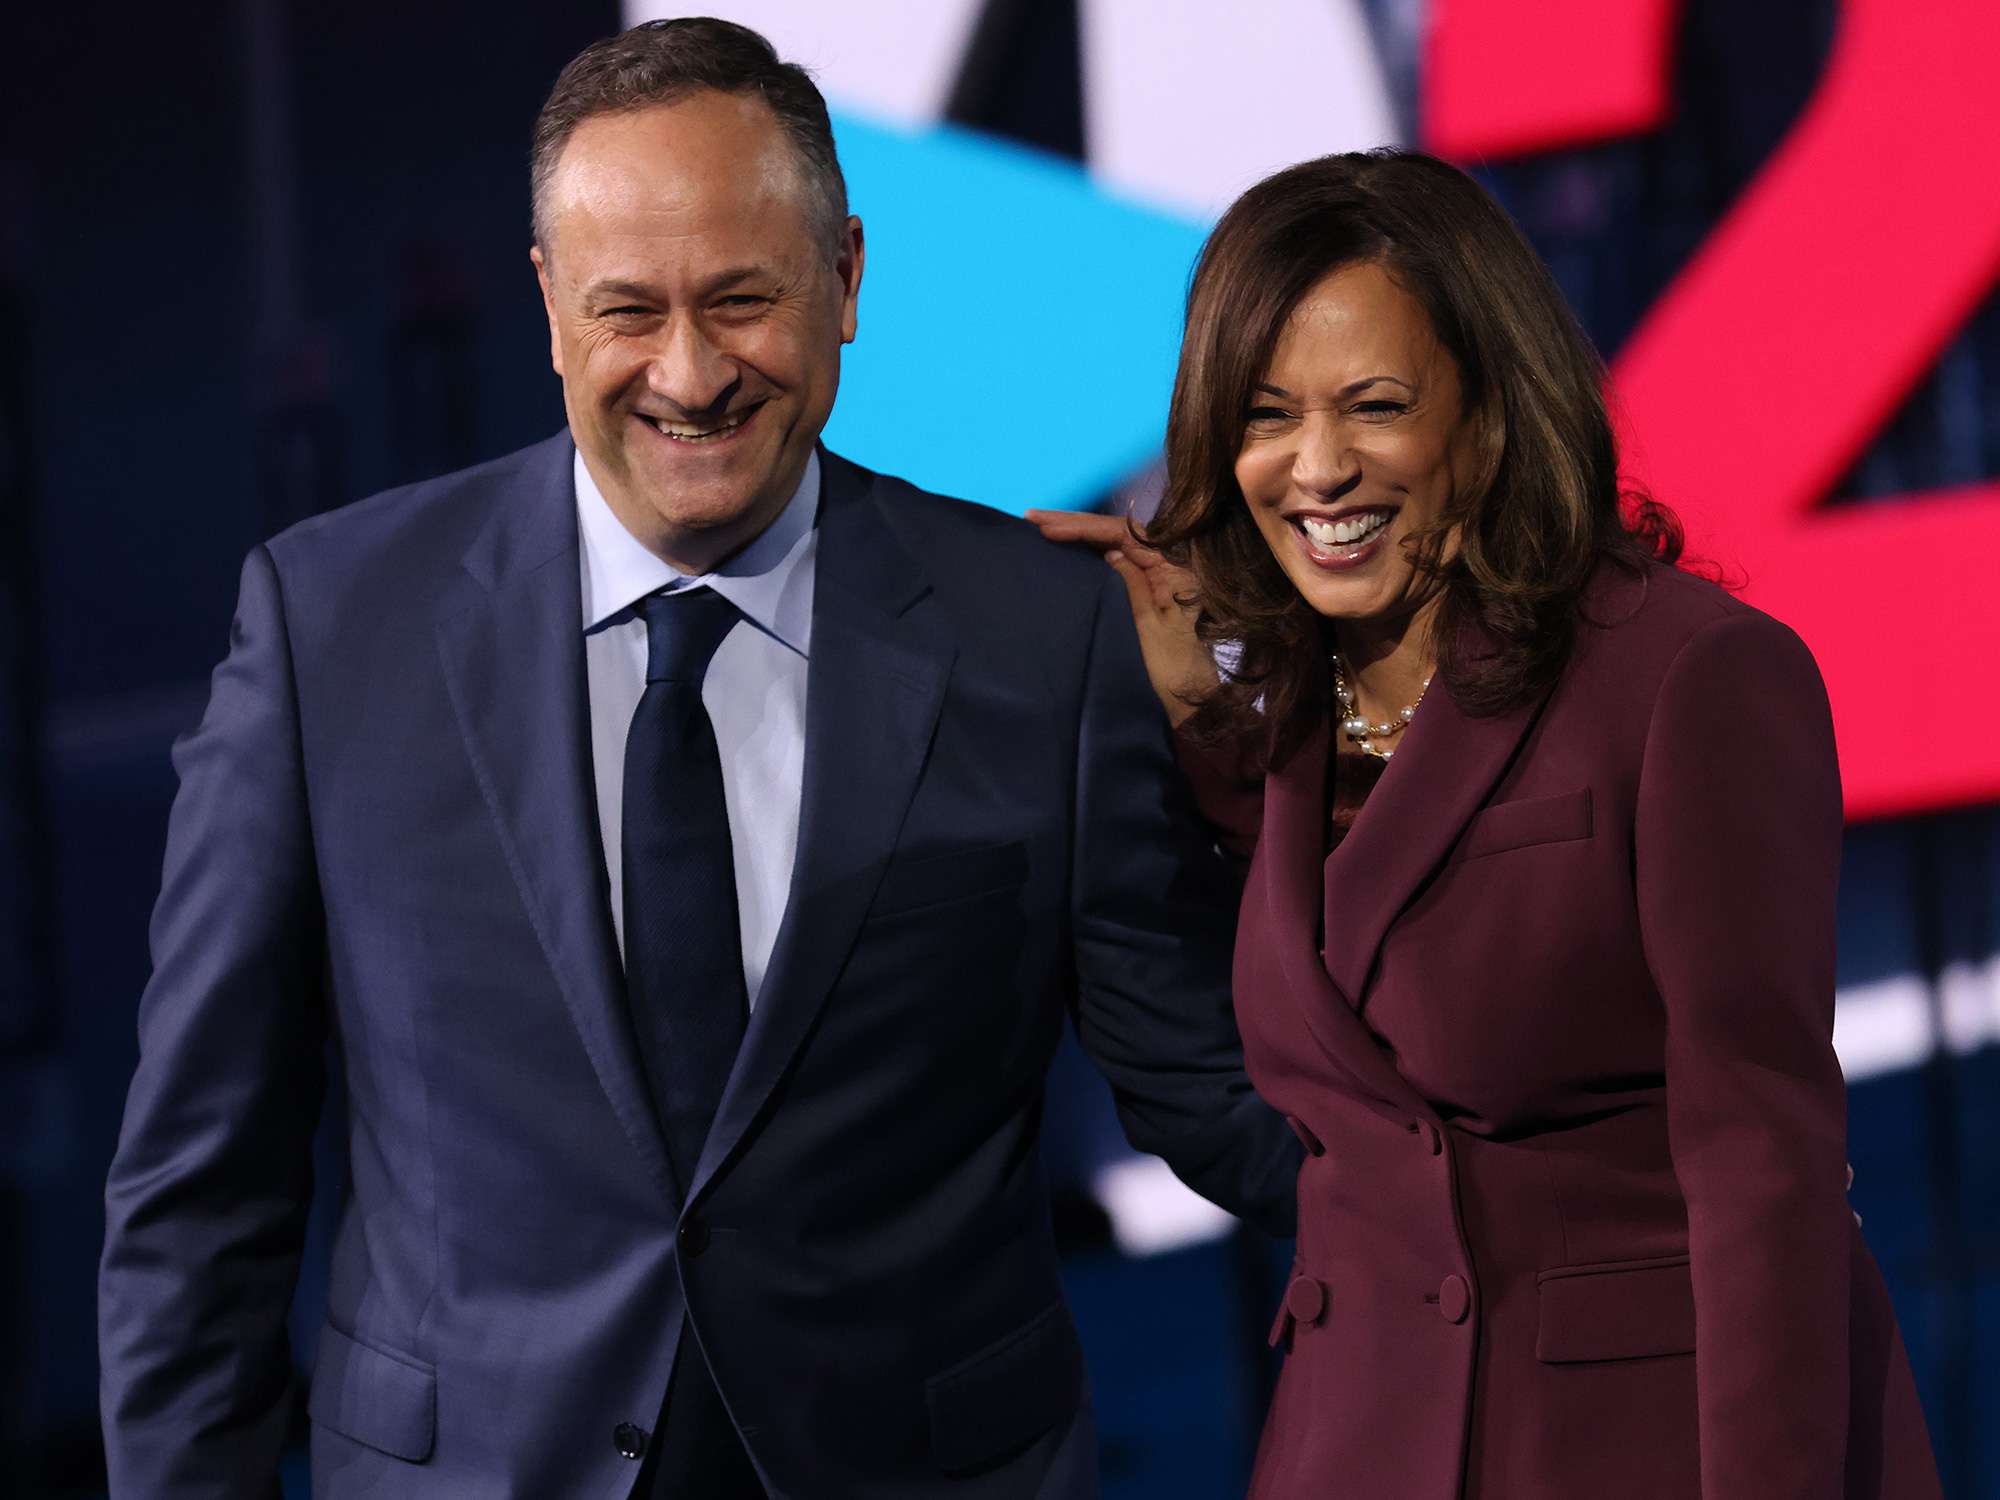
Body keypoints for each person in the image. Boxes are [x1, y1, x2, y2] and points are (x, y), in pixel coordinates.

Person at [97, 19, 1298, 1499]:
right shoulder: (330, 631)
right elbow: (202, 1197)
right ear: (546, 308)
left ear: (845, 278)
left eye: (743, 299)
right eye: (627, 310)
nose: (689, 372)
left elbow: (1221, 1097)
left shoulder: (1035, 634)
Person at [1031, 150, 1940, 1498]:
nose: (1317, 468)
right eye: (1267, 414)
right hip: (1354, 1440)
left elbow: (1767, 1173)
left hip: (1638, 1447)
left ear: (1492, 416)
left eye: (1376, 405)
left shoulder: (1690, 677)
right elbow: (1367, 963)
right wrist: (1203, 733)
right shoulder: (1292, 709)